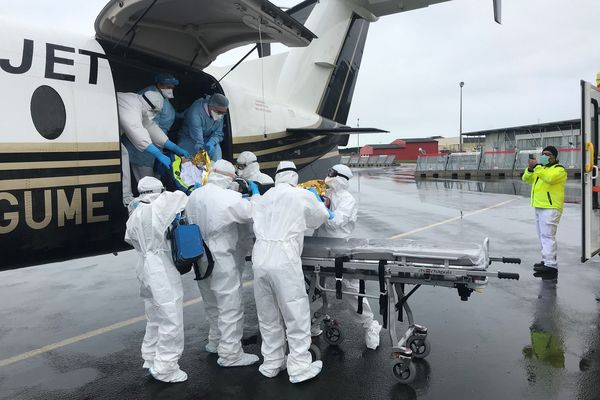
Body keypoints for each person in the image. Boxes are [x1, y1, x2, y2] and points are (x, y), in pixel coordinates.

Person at [251, 161, 330, 383]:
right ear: (294, 177)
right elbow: (321, 217)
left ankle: (272, 363)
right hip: (284, 258)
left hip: (260, 258)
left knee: (267, 315)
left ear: (276, 176)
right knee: (296, 313)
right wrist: (315, 200)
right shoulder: (300, 195)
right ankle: (298, 367)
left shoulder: (263, 198)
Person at [185, 159, 260, 367]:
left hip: (199, 255)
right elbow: (251, 212)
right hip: (220, 256)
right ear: (229, 177)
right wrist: (255, 194)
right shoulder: (227, 196)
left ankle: (215, 341)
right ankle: (230, 355)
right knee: (230, 305)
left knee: (211, 302)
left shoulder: (195, 195)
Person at [124, 177, 189, 383]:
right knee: (170, 315)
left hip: (143, 264)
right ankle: (166, 368)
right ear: (157, 191)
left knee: (153, 315)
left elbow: (130, 239)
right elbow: (181, 196)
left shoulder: (135, 214)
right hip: (160, 266)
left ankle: (150, 356)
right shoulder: (160, 206)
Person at [314, 164, 382, 349]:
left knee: (351, 289)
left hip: (340, 248)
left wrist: (322, 209)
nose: (329, 177)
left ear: (341, 177)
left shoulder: (348, 199)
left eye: (332, 174)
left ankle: (370, 325)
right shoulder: (325, 194)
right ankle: (314, 320)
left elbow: (336, 222)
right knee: (314, 287)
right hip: (319, 247)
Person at [118, 91, 189, 206]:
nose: (154, 114)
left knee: (122, 153)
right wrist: (158, 154)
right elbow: (136, 129)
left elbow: (150, 126)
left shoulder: (140, 104)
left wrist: (172, 146)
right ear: (149, 105)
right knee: (122, 154)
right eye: (154, 111)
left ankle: (126, 196)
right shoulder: (131, 106)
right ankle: (126, 198)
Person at [522, 145, 567, 279]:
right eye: (543, 154)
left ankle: (551, 265)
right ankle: (546, 260)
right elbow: (526, 179)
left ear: (554, 157)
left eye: (548, 154)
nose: (545, 156)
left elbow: (549, 178)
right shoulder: (542, 169)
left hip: (551, 207)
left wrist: (537, 167)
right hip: (539, 206)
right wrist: (530, 169)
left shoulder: (559, 170)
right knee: (542, 236)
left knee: (548, 236)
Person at [178, 93, 229, 161]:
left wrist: (212, 142)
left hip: (207, 138)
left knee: (216, 151)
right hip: (190, 139)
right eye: (219, 112)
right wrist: (202, 152)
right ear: (211, 106)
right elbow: (198, 141)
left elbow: (218, 133)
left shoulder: (219, 114)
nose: (221, 115)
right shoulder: (195, 113)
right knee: (191, 162)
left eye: (223, 113)